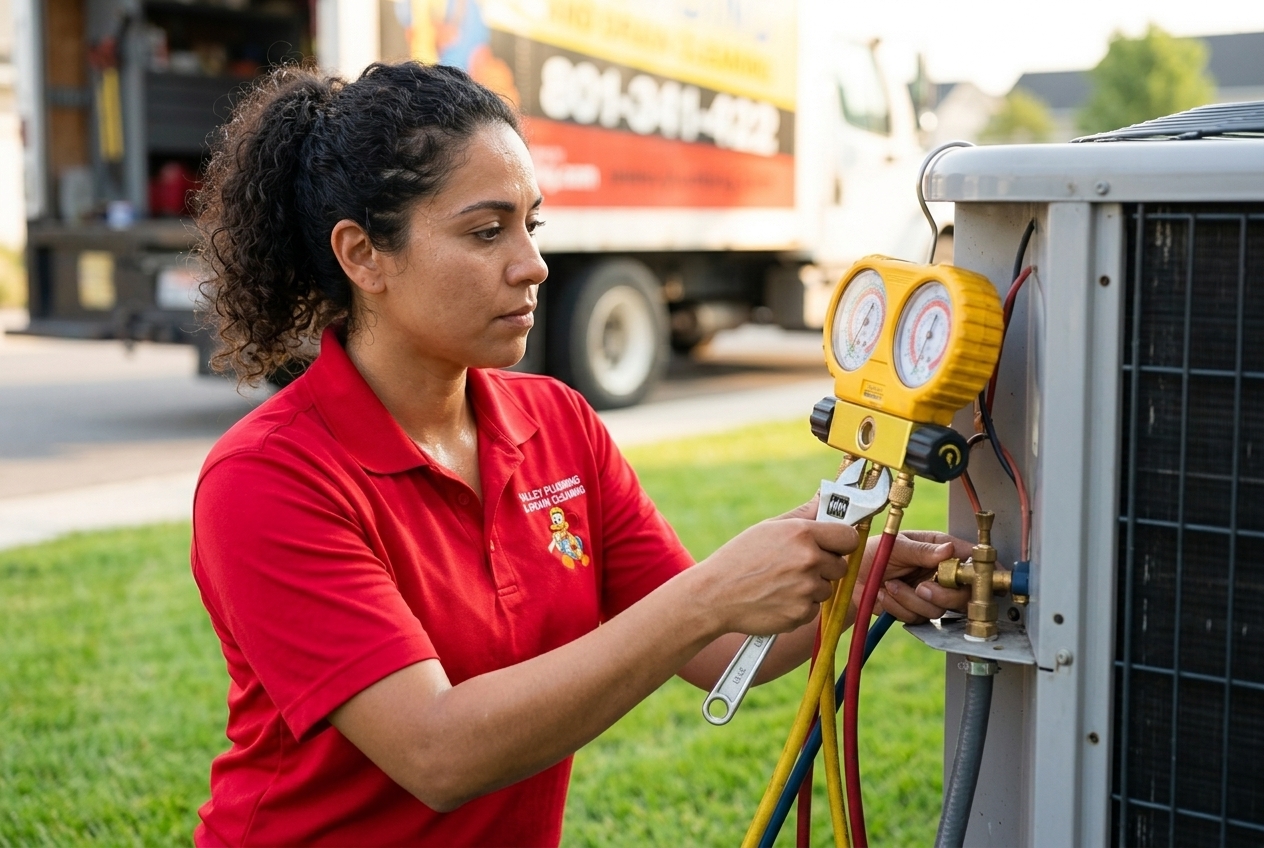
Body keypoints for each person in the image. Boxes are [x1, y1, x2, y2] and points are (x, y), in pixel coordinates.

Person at [190, 61, 971, 846]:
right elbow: (437, 751)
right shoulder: (267, 477)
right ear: (363, 256)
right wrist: (710, 593)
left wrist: (851, 577)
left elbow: (723, 650)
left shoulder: (558, 423)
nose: (532, 264)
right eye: (485, 231)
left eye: (532, 226)